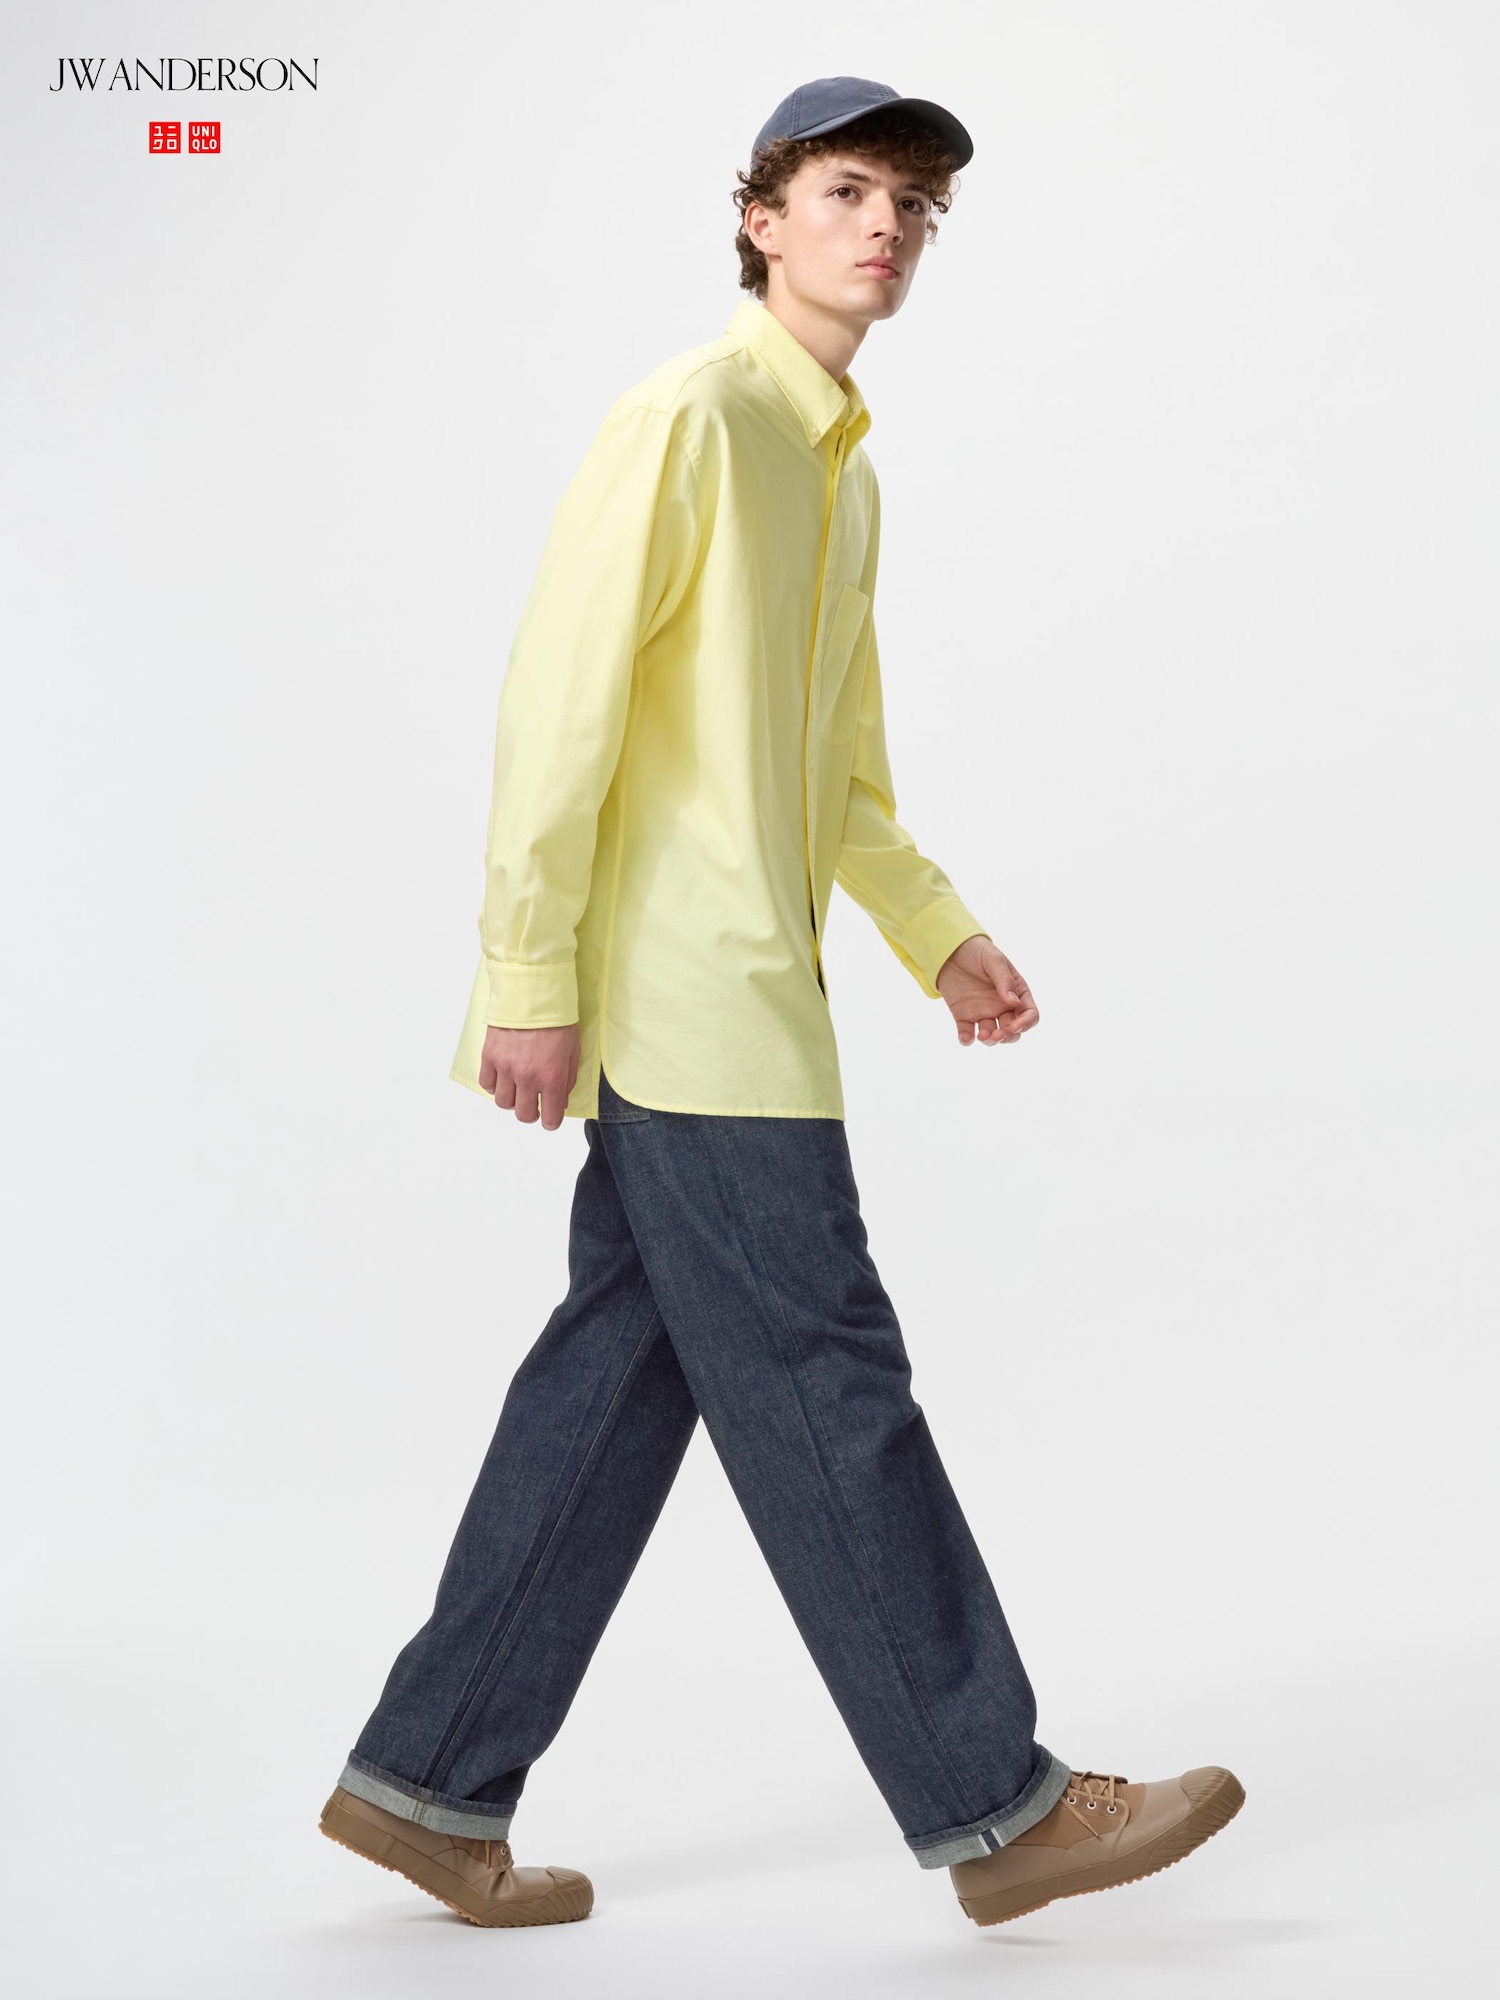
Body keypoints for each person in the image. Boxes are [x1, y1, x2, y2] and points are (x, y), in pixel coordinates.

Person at [318, 74, 1244, 1933]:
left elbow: (839, 771)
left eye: (914, 205)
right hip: (690, 1001)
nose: (885, 226)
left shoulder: (838, 464)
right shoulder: (691, 417)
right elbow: (558, 704)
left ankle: (427, 1782)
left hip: (758, 990)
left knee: (617, 1382)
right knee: (829, 1380)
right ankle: (997, 1808)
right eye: (846, 190)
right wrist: (527, 972)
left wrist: (936, 931)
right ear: (761, 219)